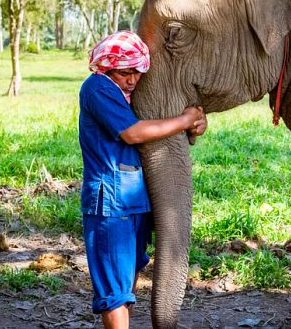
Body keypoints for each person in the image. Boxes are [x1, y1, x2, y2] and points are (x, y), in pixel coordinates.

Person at [78, 30, 206, 329]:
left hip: (134, 200)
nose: (133, 79)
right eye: (125, 72)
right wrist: (185, 120)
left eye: (137, 72)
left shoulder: (124, 93)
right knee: (115, 292)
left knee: (129, 280)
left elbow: (154, 120)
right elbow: (133, 133)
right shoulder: (98, 88)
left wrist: (195, 120)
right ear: (107, 67)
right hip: (110, 204)